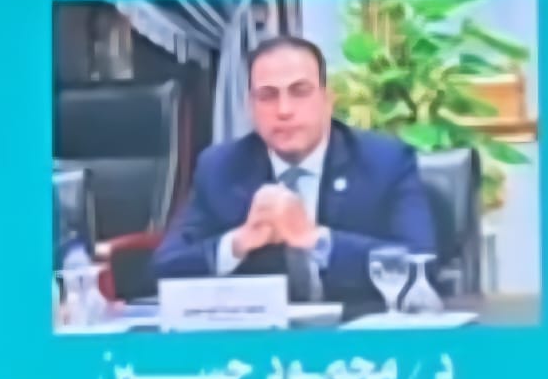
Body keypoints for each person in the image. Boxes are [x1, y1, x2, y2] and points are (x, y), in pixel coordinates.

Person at [152, 36, 437, 302]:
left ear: (328, 100)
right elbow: (164, 267)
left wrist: (315, 240)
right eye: (267, 96)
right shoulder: (221, 167)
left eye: (300, 92)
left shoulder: (385, 161)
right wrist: (238, 243)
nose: (284, 110)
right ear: (251, 107)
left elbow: (422, 263)